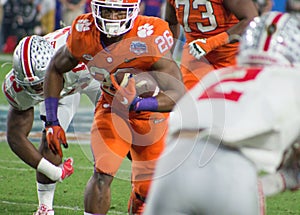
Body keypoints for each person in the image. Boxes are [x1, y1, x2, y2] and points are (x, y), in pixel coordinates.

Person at [143, 11, 300, 215]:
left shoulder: (218, 76)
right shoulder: (291, 80)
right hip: (230, 169)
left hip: (171, 166)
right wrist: (282, 179)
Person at [42, 0, 185, 214]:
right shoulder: (84, 31)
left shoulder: (150, 34)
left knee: (148, 189)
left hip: (149, 115)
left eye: (119, 12)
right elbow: (55, 68)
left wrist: (138, 103)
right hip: (111, 108)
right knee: (102, 173)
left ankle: (139, 200)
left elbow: (178, 93)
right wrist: (52, 121)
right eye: (107, 10)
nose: (112, 18)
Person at [2, 27, 101, 215]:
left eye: (41, 83)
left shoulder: (81, 54)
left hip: (94, 79)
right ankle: (45, 207)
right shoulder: (17, 87)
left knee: (112, 137)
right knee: (50, 143)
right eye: (32, 86)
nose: (37, 90)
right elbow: (16, 137)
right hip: (62, 92)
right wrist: (54, 171)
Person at [165, 0, 258, 90]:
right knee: (189, 100)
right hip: (195, 55)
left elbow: (251, 19)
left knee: (234, 99)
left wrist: (211, 43)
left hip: (229, 56)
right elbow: (171, 23)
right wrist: (167, 60)